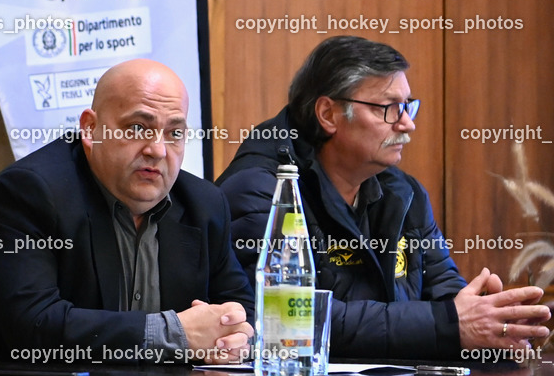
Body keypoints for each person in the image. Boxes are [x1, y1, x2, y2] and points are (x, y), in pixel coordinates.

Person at [217, 36, 550, 359]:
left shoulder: (403, 192)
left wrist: (489, 320)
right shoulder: (261, 190)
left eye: (407, 107)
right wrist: (450, 325)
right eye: (389, 108)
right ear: (328, 114)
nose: (407, 124)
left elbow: (444, 292)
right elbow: (290, 318)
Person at [0, 59, 254, 364]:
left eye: (174, 133)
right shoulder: (28, 193)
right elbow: (34, 325)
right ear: (90, 129)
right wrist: (174, 333)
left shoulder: (204, 204)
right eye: (138, 128)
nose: (157, 150)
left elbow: (244, 310)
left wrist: (235, 337)